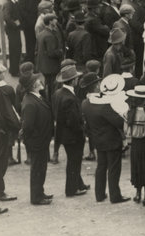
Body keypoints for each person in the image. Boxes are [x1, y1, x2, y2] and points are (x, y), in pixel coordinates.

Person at [82, 74, 128, 204]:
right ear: (96, 86)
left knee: (101, 167)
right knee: (114, 168)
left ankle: (100, 194)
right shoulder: (104, 106)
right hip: (112, 140)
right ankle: (115, 196)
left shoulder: (85, 103)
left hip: (98, 140)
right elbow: (119, 122)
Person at [52, 64, 88, 197]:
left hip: (64, 134)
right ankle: (71, 189)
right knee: (74, 162)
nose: (78, 80)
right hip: (73, 136)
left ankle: (79, 184)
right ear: (73, 80)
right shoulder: (69, 98)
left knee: (73, 160)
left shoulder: (58, 93)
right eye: (76, 78)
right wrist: (82, 130)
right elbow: (72, 121)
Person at [20, 73, 54, 205]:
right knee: (37, 169)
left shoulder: (37, 97)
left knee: (41, 168)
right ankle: (36, 197)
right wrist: (35, 139)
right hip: (37, 142)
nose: (40, 81)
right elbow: (28, 126)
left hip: (41, 141)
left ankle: (40, 192)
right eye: (37, 80)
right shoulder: (29, 102)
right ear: (34, 85)